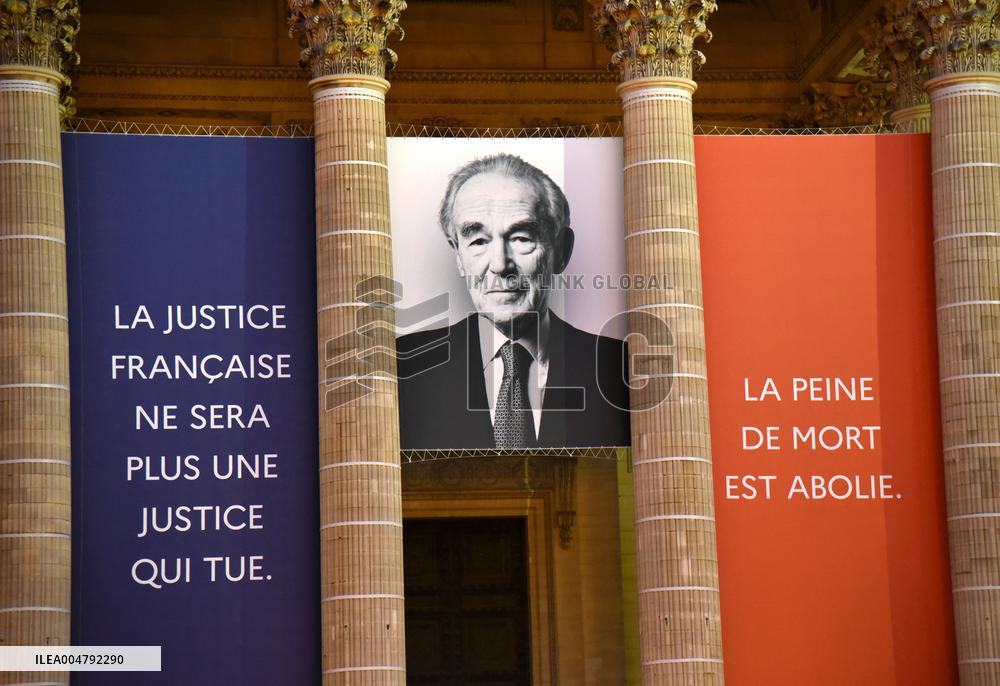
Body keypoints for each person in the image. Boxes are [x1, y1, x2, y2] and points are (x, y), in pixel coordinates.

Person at [397, 153, 630, 450]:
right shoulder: (401, 369)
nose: (499, 264)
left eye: (521, 238)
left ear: (561, 250)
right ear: (458, 256)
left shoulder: (622, 370)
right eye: (478, 241)